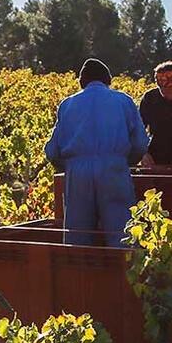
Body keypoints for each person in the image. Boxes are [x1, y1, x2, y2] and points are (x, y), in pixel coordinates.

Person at [44, 58, 149, 246]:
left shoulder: (67, 104)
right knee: (122, 233)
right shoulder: (123, 101)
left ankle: (80, 274)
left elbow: (52, 150)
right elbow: (141, 143)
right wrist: (124, 162)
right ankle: (122, 273)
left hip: (78, 173)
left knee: (77, 236)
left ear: (81, 81)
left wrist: (70, 166)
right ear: (108, 80)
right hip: (113, 169)